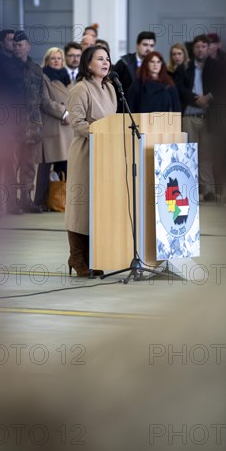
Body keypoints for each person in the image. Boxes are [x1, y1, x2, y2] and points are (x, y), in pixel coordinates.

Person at [65, 45, 117, 277]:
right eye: (100, 59)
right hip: (86, 151)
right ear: (87, 64)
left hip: (106, 153)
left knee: (98, 206)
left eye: (107, 59)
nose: (106, 62)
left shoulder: (111, 88)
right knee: (81, 206)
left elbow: (113, 120)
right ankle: (76, 257)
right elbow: (77, 122)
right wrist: (101, 133)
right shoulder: (80, 88)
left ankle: (92, 255)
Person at [174, 34, 220, 201]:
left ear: (208, 48)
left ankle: (208, 191)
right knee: (188, 154)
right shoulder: (184, 67)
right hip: (189, 117)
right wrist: (195, 99)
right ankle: (188, 190)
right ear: (192, 49)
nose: (200, 49)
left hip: (208, 117)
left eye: (204, 46)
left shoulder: (216, 66)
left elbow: (221, 86)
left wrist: (208, 98)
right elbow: (179, 88)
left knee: (207, 155)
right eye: (197, 47)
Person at [4, 30, 44, 214]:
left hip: (32, 125)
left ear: (28, 46)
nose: (17, 47)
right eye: (15, 44)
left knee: (28, 165)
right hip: (11, 125)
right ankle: (12, 202)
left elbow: (41, 96)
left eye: (20, 45)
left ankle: (26, 199)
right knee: (11, 165)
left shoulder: (36, 69)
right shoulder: (5, 67)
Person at [34, 47, 73, 209]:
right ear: (47, 60)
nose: (57, 61)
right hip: (52, 125)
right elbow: (45, 101)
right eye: (53, 58)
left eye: (59, 58)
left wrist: (70, 114)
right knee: (45, 166)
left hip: (67, 127)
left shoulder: (68, 77)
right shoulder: (43, 77)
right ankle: (41, 200)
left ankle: (61, 201)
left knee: (65, 166)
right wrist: (64, 113)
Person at [113, 31, 156, 104]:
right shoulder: (124, 63)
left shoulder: (157, 65)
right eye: (145, 45)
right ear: (137, 45)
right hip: (127, 109)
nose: (148, 48)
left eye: (151, 46)